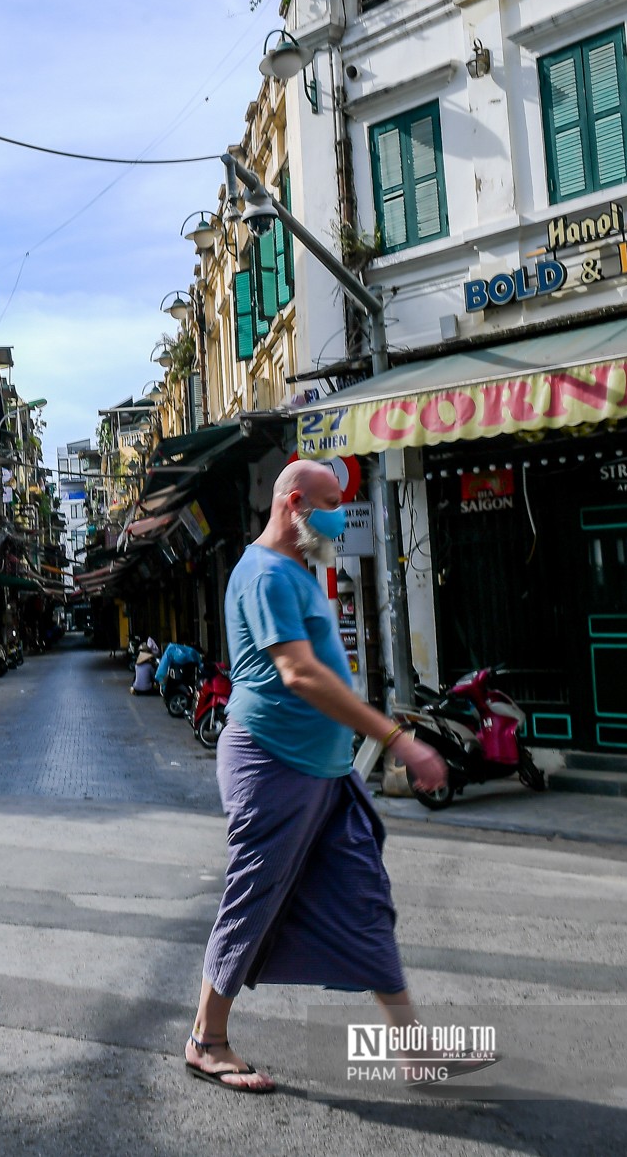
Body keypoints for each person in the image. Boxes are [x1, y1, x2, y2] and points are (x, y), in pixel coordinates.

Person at [183, 460, 451, 1094]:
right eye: (332, 503)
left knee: (365, 902)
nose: (339, 515)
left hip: (326, 774)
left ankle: (412, 1048)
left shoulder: (297, 572)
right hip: (273, 762)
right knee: (253, 898)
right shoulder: (265, 574)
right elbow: (299, 674)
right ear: (295, 502)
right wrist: (397, 740)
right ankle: (206, 1040)